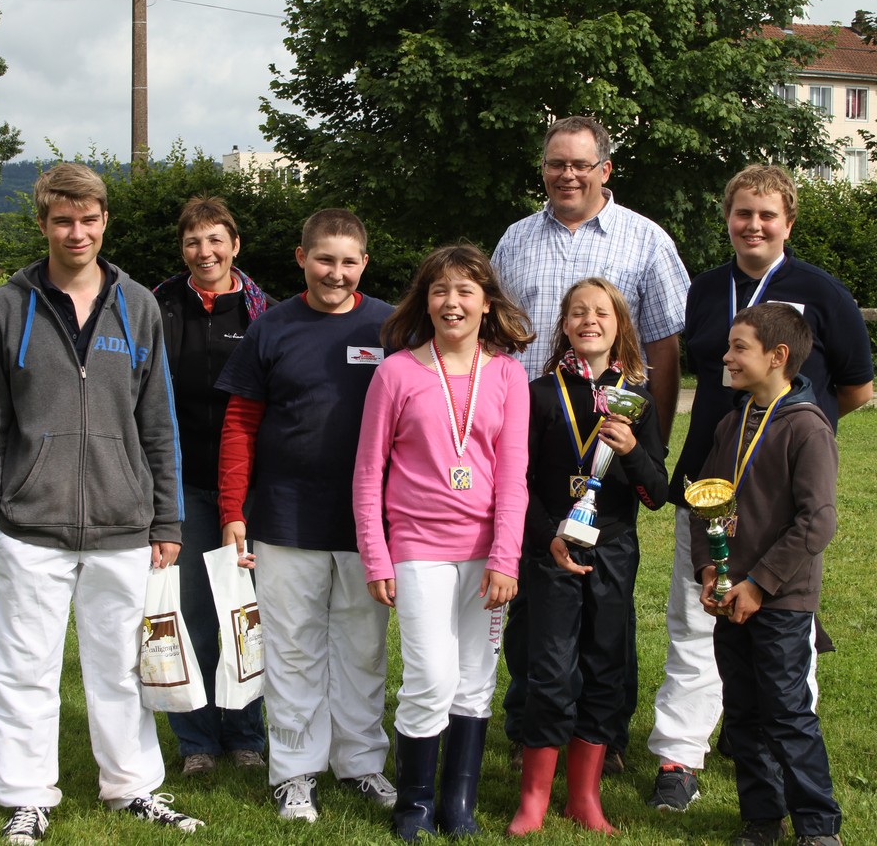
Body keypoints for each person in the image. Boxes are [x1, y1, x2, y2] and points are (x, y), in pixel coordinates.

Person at [0, 162, 203, 845]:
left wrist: (165, 517)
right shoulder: (4, 307)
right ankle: (26, 797)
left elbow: (159, 421)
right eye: (63, 219)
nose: (77, 231)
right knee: (22, 665)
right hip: (29, 523)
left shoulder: (139, 305)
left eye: (89, 219)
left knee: (122, 666)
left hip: (124, 522)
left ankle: (132, 786)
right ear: (43, 222)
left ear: (104, 223)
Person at [646, 164, 873, 812]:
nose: (754, 224)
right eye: (743, 212)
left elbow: (856, 387)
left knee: (778, 614)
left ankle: (779, 747)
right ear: (728, 218)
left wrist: (798, 440)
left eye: (767, 214)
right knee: (696, 614)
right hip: (710, 478)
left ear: (789, 221)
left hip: (778, 486)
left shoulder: (822, 293)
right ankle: (680, 754)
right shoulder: (706, 289)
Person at [492, 115, 690, 771]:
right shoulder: (515, 242)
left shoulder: (646, 240)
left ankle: (601, 743)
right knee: (534, 605)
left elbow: (663, 346)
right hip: (535, 446)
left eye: (581, 164)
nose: (567, 175)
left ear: (605, 169)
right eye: (556, 164)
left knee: (608, 615)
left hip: (611, 456)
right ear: (544, 168)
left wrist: (640, 450)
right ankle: (531, 729)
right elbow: (496, 343)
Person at [214, 208, 396, 823]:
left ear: (364, 264)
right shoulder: (273, 328)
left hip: (368, 524)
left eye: (348, 262)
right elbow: (239, 424)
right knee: (292, 648)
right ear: (301, 258)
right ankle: (294, 772)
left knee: (363, 647)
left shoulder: (392, 326)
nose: (336, 273)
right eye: (324, 259)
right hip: (286, 517)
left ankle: (363, 762)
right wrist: (233, 508)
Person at [352, 245, 533, 841]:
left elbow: (513, 475)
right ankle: (415, 804)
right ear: (424, 301)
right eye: (439, 290)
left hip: (486, 555)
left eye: (465, 291)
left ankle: (458, 804)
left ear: (487, 303)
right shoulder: (397, 372)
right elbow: (367, 473)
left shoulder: (507, 374)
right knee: (431, 675)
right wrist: (377, 554)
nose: (451, 302)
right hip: (418, 548)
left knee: (477, 680)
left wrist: (507, 557)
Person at [509, 278, 670, 836]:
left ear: (620, 324)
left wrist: (630, 455)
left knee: (604, 667)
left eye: (601, 312)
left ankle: (585, 797)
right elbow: (517, 481)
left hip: (614, 550)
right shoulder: (537, 393)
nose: (589, 321)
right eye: (577, 313)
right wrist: (546, 533)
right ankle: (533, 798)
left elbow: (656, 493)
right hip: (552, 546)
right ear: (564, 326)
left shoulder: (637, 400)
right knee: (550, 669)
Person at [692, 302, 843, 846]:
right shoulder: (732, 423)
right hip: (730, 597)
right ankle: (761, 820)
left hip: (780, 600)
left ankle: (818, 827)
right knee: (743, 714)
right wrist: (709, 569)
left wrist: (760, 583)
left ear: (777, 356)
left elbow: (816, 521)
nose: (726, 356)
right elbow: (704, 503)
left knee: (786, 713)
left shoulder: (806, 427)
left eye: (739, 348)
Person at [152, 196, 271, 776]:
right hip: (180, 488)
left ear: (235, 245)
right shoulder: (157, 308)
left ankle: (246, 733)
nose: (206, 252)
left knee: (245, 615)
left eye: (216, 240)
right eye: (194, 242)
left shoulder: (262, 314)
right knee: (192, 616)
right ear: (183, 249)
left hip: (249, 489)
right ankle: (196, 740)